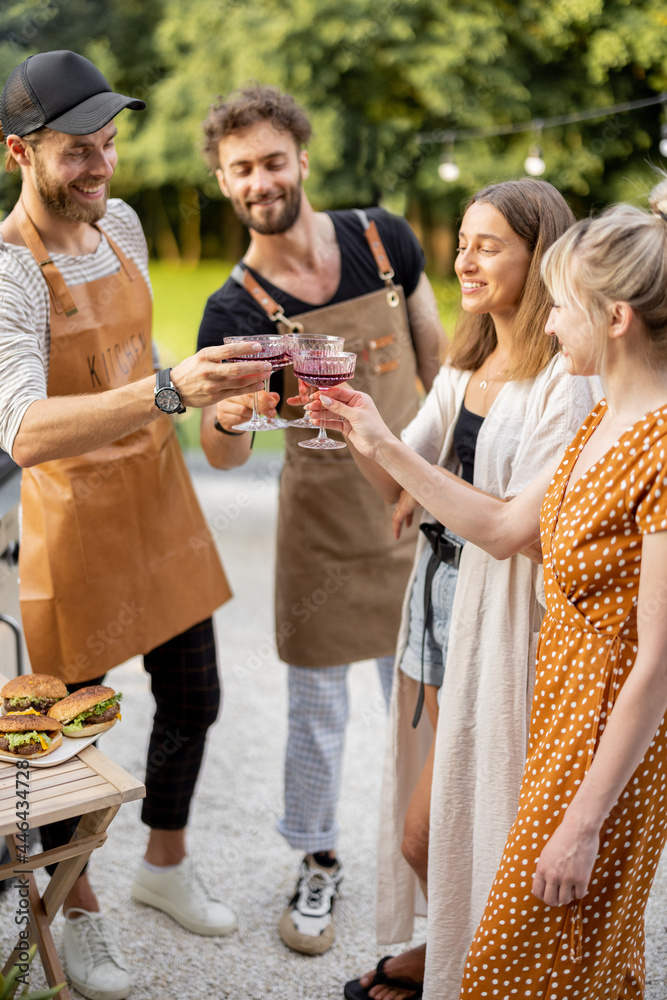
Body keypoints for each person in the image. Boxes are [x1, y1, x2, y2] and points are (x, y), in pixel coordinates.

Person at [312, 183, 667, 999]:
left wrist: (580, 823)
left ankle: (453, 962)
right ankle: (448, 957)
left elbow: (645, 652)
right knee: (546, 935)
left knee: (548, 933)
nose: (547, 319)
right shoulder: (597, 421)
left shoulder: (614, 420)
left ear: (614, 317)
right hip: (548, 698)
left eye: (562, 303)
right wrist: (359, 426)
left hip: (583, 720)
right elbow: (469, 510)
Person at [0, 50, 273, 1000]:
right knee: (66, 744)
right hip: (73, 521)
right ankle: (78, 915)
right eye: (77, 151)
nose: (102, 168)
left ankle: (162, 864)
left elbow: (134, 353)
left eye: (109, 145)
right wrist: (166, 388)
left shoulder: (118, 225)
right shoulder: (8, 272)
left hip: (158, 497)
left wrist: (212, 405)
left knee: (194, 697)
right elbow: (24, 428)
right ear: (18, 154)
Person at [196, 83, 444, 955]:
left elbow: (435, 364)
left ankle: (435, 860)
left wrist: (443, 476)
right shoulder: (232, 311)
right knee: (315, 709)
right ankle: (318, 860)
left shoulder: (383, 240)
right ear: (225, 184)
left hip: (416, 516)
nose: (259, 180)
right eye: (240, 170)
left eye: (271, 160)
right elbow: (223, 453)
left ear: (301, 157)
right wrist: (226, 417)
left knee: (425, 704)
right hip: (321, 530)